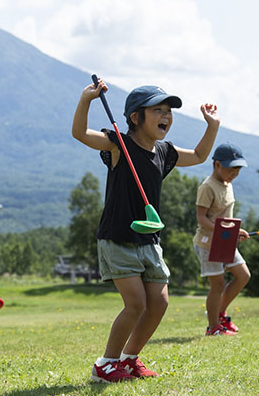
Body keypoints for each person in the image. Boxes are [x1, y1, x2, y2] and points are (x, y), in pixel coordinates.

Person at [72, 77, 220, 383]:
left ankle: (129, 359)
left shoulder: (164, 152)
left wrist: (212, 126)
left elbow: (200, 156)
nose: (166, 116)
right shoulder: (119, 145)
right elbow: (79, 133)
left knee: (160, 303)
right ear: (136, 117)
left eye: (169, 111)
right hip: (118, 238)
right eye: (158, 110)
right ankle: (106, 364)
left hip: (149, 240)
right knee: (136, 304)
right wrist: (87, 99)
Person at [193, 143, 251, 336]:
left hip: (225, 240)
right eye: (230, 169)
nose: (234, 173)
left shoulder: (228, 184)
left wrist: (234, 232)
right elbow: (201, 218)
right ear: (217, 165)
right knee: (217, 284)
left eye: (237, 170)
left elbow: (226, 218)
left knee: (243, 275)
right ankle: (213, 327)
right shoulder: (207, 187)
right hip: (208, 243)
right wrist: (228, 231)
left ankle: (220, 314)